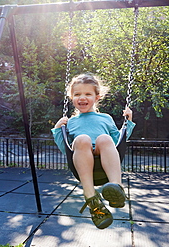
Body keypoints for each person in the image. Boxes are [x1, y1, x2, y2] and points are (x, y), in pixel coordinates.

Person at [51, 73, 136, 229]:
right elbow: (67, 150)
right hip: (83, 162)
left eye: (88, 94)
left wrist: (128, 123)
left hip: (103, 158)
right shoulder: (70, 122)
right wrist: (58, 129)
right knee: (82, 140)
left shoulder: (106, 118)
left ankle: (116, 188)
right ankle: (91, 197)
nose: (82, 97)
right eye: (77, 94)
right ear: (72, 97)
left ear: (97, 97)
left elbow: (118, 142)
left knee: (104, 139)